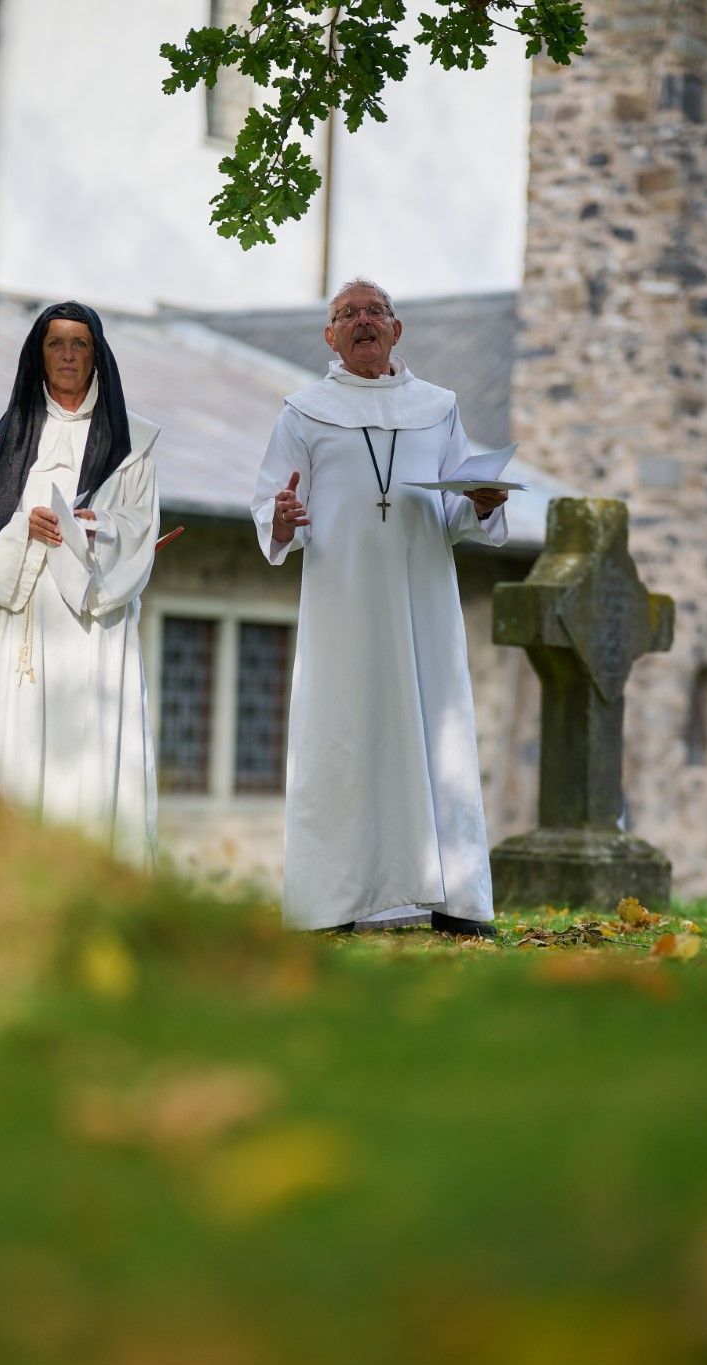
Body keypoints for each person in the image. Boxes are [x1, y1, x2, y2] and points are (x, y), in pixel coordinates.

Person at [252, 278, 508, 935]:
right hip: (342, 605)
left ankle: (456, 901)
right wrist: (280, 519)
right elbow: (272, 503)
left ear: (397, 329)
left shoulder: (439, 407)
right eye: (348, 314)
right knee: (339, 737)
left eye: (375, 311)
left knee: (437, 733)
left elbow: (457, 505)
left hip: (424, 603)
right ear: (329, 336)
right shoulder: (303, 412)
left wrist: (481, 503)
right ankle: (329, 906)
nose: (363, 321)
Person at [0, 301, 161, 868]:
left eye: (81, 343)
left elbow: (141, 525)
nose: (69, 355)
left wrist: (96, 526)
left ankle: (99, 877)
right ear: (39, 354)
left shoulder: (133, 442)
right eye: (57, 343)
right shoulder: (4, 438)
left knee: (95, 755)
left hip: (96, 623)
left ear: (97, 354)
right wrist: (25, 530)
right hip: (25, 621)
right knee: (20, 750)